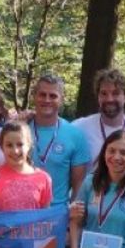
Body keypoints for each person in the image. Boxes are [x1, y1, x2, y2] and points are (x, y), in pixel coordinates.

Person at [27, 74, 89, 206]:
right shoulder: (20, 129)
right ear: (34, 96)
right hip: (23, 212)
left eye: (53, 96)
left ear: (61, 100)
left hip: (57, 215)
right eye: (42, 95)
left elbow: (79, 185)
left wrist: (72, 219)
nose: (47, 100)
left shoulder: (75, 135)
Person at [73, 68, 125, 163]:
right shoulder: (79, 128)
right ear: (98, 97)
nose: (109, 99)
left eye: (115, 93)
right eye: (104, 93)